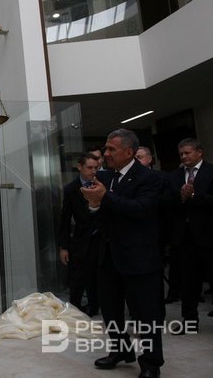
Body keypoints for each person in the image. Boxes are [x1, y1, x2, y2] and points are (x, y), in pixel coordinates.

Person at [81, 129, 164, 378]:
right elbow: (101, 214)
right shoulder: (106, 176)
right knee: (111, 310)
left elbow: (141, 209)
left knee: (145, 314)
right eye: (105, 148)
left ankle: (151, 363)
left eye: (111, 149)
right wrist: (94, 205)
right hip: (108, 256)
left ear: (129, 152)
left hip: (139, 258)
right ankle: (121, 350)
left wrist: (104, 197)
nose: (105, 154)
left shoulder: (150, 178)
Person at [165, 138, 213, 338]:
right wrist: (181, 198)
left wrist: (195, 195)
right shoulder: (173, 176)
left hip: (210, 237)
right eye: (181, 154)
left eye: (187, 153)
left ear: (199, 152)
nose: (184, 157)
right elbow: (166, 203)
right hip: (184, 238)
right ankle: (189, 322)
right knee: (188, 283)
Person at [58, 153, 101, 316]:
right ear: (80, 167)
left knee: (98, 276)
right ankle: (74, 309)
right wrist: (63, 246)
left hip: (102, 236)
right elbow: (65, 219)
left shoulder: (101, 184)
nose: (93, 171)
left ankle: (94, 306)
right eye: (89, 167)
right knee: (78, 276)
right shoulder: (71, 189)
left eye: (96, 167)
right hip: (81, 238)